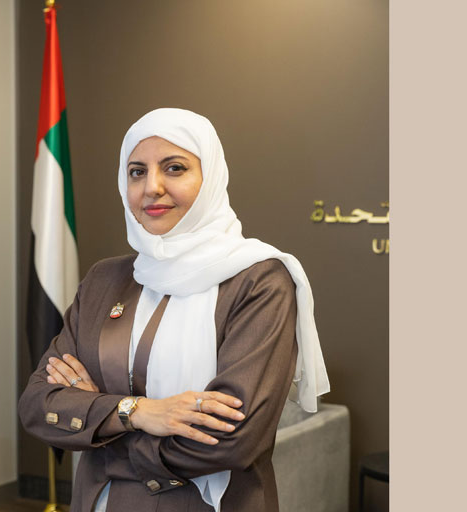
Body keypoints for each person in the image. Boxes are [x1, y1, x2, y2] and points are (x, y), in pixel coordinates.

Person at [18, 108, 329, 512]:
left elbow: (233, 440)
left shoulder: (259, 280)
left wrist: (101, 428)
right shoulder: (104, 280)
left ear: (211, 177)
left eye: (175, 168)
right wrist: (138, 412)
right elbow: (37, 404)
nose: (152, 187)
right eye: (137, 172)